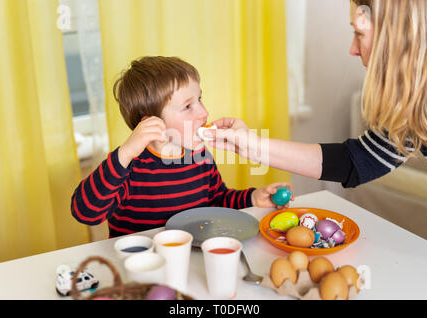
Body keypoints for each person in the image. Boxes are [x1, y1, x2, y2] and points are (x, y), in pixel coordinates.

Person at [203, 0, 427, 188]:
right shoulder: (414, 100)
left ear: (400, 35)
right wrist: (251, 146)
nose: (353, 49)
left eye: (359, 34)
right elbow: (357, 162)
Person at [71, 56, 293, 238]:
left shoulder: (199, 156)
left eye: (200, 99)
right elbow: (86, 213)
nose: (204, 112)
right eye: (188, 106)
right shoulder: (128, 167)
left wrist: (252, 198)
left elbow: (216, 201)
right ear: (151, 123)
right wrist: (125, 153)